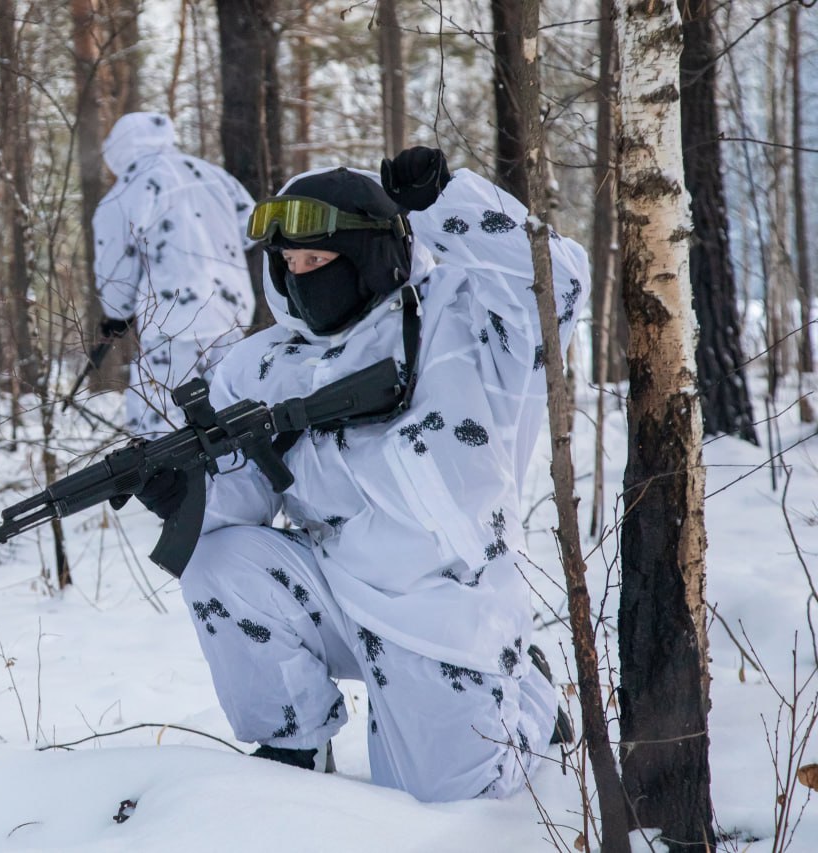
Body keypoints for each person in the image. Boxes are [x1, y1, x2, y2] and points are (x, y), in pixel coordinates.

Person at [136, 148, 585, 801]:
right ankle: (294, 740)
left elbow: (558, 283)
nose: (298, 279)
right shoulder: (260, 366)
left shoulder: (460, 320)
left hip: (446, 612)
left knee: (447, 806)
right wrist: (184, 492)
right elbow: (243, 497)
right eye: (287, 265)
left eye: (316, 263)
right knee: (219, 560)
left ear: (368, 257)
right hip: (336, 594)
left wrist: (446, 198)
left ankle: (532, 704)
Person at [91, 111, 257, 435]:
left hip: (173, 323)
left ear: (119, 150)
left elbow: (115, 266)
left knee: (161, 419)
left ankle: (170, 483)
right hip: (231, 314)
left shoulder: (127, 192)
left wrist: (116, 313)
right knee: (234, 413)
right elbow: (251, 227)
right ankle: (239, 479)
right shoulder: (210, 174)